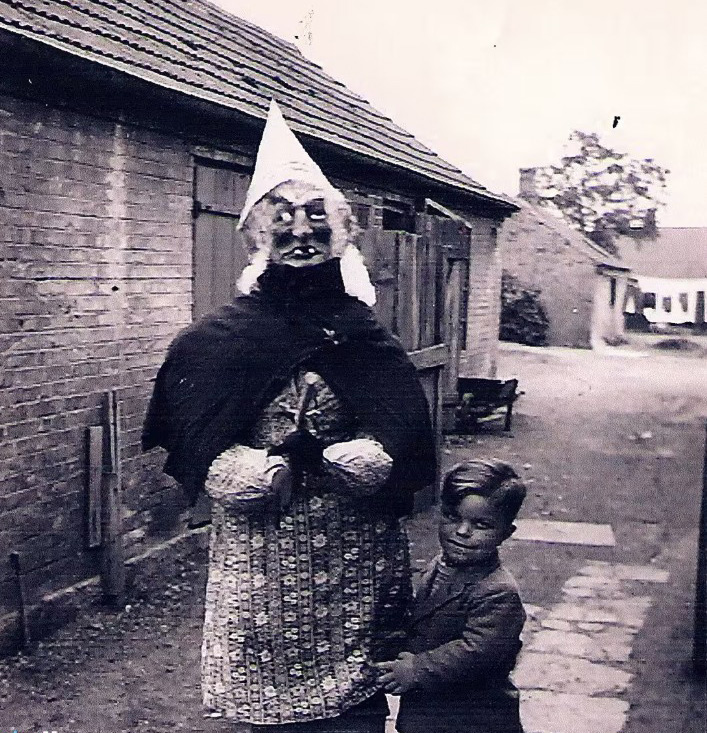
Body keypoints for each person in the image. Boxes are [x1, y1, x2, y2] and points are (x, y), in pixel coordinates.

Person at [142, 100, 436, 732]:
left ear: (343, 234)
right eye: (284, 220)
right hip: (263, 545)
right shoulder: (217, 339)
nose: (302, 233)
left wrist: (361, 458)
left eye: (317, 220)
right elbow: (195, 435)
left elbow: (402, 428)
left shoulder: (363, 333)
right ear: (257, 237)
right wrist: (251, 470)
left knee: (353, 706)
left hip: (353, 547)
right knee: (269, 701)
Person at [377, 459, 527, 733]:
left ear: (506, 533)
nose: (462, 531)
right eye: (452, 517)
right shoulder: (440, 564)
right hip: (429, 715)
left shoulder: (498, 592)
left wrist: (416, 669)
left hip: (474, 719)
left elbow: (477, 652)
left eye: (481, 524)